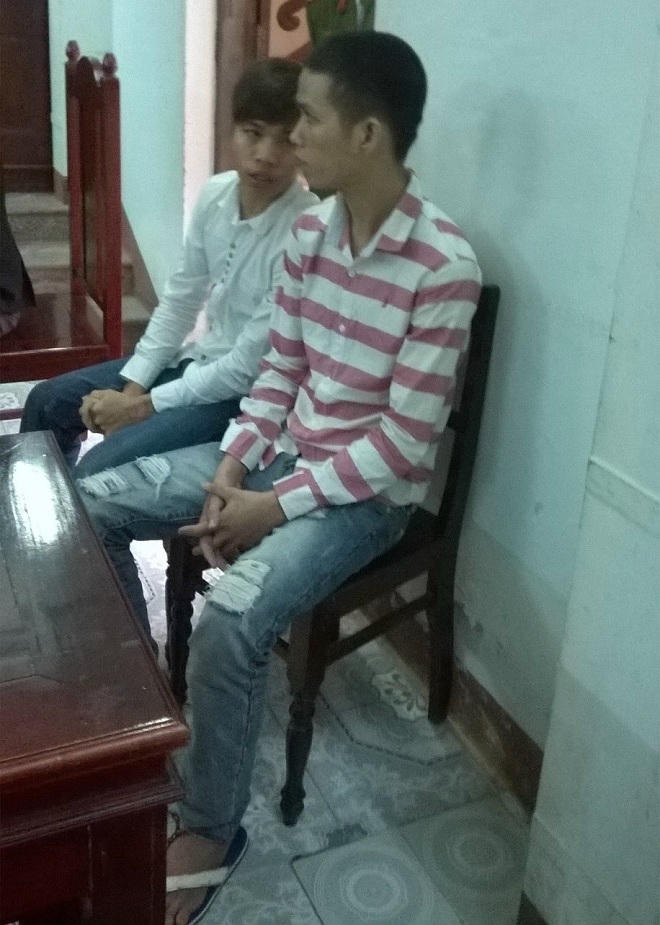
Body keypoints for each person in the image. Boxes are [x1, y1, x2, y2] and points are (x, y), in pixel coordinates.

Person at [78, 31, 482, 925]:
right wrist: (230, 467)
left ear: (368, 134)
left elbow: (401, 445)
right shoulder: (311, 237)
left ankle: (211, 828)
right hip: (274, 457)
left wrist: (270, 505)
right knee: (93, 501)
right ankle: (136, 718)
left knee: (229, 619)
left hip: (363, 499)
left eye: (307, 119)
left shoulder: (443, 267)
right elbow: (279, 374)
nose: (292, 138)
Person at [19, 58, 316, 477]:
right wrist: (134, 385)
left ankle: (74, 512)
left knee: (100, 467)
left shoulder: (306, 229)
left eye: (285, 141)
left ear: (304, 145)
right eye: (253, 133)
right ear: (232, 131)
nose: (266, 155)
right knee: (46, 402)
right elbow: (180, 301)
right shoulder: (217, 195)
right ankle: (41, 512)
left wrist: (139, 407)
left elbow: (247, 368)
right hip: (198, 363)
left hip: (245, 399)